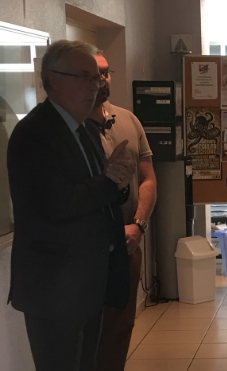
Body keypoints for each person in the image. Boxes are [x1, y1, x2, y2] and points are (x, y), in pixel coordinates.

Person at [6, 40, 134, 371]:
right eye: (85, 77)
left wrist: (119, 183)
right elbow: (58, 204)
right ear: (53, 79)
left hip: (87, 284)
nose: (96, 86)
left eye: (98, 78)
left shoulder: (82, 128)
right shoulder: (35, 133)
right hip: (54, 290)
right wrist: (109, 181)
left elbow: (100, 190)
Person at [88, 52, 157, 371]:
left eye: (105, 72)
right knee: (85, 333)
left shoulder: (128, 119)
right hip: (86, 252)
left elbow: (148, 179)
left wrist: (139, 225)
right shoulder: (70, 127)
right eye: (93, 74)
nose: (102, 80)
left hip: (128, 245)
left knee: (119, 329)